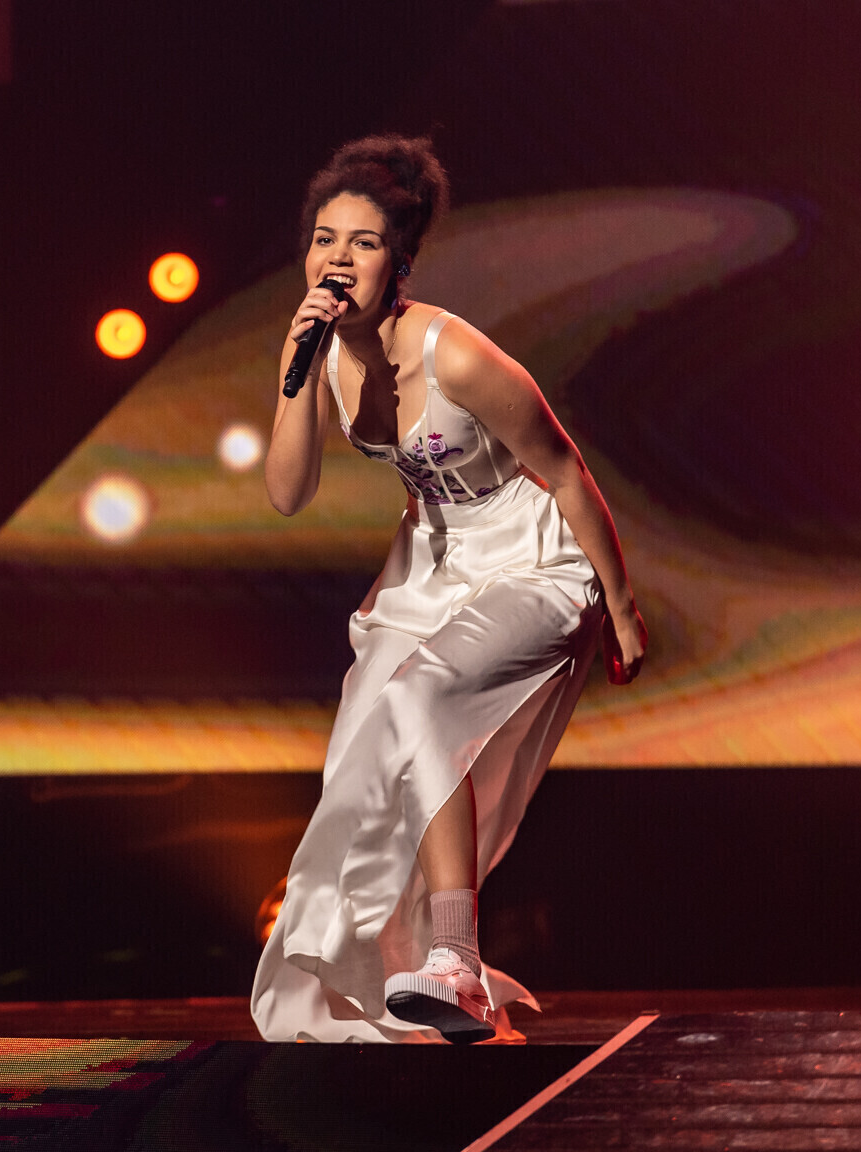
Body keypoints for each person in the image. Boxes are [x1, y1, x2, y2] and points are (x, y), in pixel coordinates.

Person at [251, 136, 648, 1044]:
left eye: (362, 243)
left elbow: (566, 471)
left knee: (420, 698)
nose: (337, 259)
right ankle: (397, 971)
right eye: (323, 240)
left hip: (532, 559)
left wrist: (622, 610)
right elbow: (287, 494)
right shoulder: (314, 348)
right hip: (430, 567)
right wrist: (296, 371)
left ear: (399, 262)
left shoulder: (455, 354)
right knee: (359, 765)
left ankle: (456, 960)